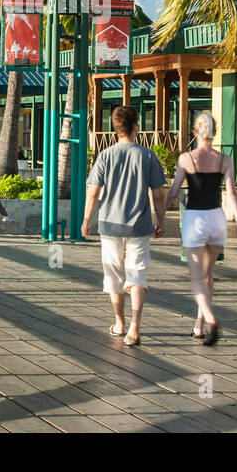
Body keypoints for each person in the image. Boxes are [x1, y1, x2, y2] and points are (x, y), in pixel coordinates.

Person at [81, 105, 167, 347]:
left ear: (116, 128)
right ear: (136, 127)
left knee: (114, 278)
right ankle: (135, 327)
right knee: (137, 274)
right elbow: (158, 195)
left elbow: (93, 192)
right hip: (139, 226)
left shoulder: (105, 155)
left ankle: (119, 323)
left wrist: (87, 219)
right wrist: (160, 220)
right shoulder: (148, 156)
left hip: (109, 225)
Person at [165, 112, 237, 346]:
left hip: (194, 219)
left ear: (195, 132)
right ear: (215, 132)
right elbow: (231, 193)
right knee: (208, 275)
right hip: (217, 219)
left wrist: (160, 217)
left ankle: (210, 319)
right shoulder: (225, 159)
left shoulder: (186, 158)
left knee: (197, 278)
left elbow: (172, 192)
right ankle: (198, 326)